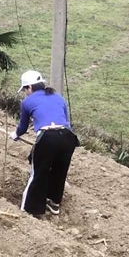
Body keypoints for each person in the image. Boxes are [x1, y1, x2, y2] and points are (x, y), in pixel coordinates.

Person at [10, 70, 79, 217]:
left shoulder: (27, 101)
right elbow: (66, 122)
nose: (25, 93)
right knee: (59, 171)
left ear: (29, 87)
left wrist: (15, 135)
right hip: (68, 138)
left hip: (48, 137)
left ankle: (29, 210)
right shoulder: (58, 97)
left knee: (38, 173)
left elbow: (22, 127)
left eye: (25, 90)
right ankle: (54, 203)